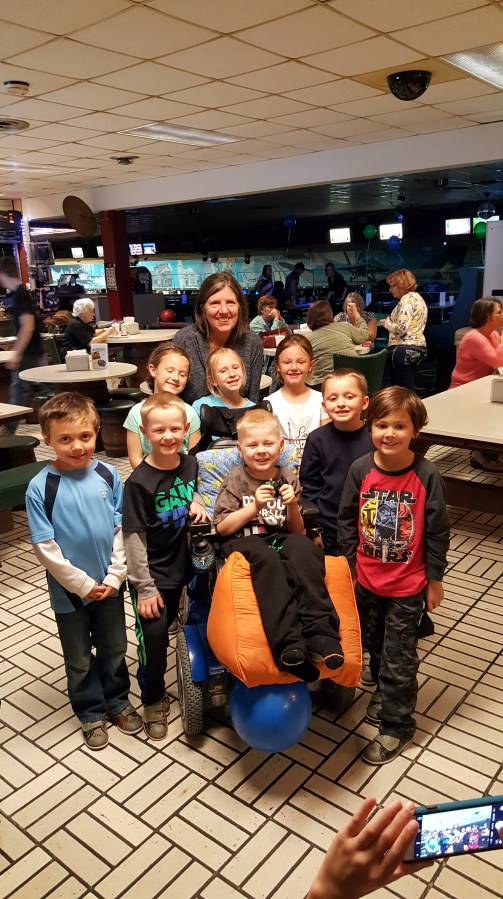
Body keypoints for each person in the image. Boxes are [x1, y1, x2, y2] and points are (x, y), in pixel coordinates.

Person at [338, 387, 450, 765]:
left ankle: (397, 726)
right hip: (367, 580)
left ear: (415, 431)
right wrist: (350, 569)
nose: (389, 433)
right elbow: (346, 521)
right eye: (381, 424)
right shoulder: (361, 470)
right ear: (369, 426)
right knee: (374, 642)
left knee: (398, 658)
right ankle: (383, 691)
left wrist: (434, 579)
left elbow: (438, 531)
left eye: (400, 426)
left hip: (408, 585)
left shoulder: (426, 474)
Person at [25, 393, 141, 751]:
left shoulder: (108, 474)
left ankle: (117, 700)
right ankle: (90, 710)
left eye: (85, 436)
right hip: (69, 592)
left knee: (114, 646)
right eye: (65, 438)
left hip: (109, 585)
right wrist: (82, 584)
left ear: (96, 432)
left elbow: (121, 529)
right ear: (47, 438)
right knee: (77, 656)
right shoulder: (40, 487)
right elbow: (46, 547)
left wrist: (115, 575)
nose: (77, 446)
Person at [213, 408, 344, 684]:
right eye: (252, 445)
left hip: (280, 537)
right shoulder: (236, 478)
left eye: (268, 443)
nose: (261, 451)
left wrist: (293, 504)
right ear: (240, 449)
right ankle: (288, 644)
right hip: (243, 539)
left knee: (305, 548)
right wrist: (255, 507)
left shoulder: (287, 476)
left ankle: (321, 634)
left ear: (281, 445)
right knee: (267, 559)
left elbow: (296, 530)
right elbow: (222, 527)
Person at [122, 393, 210, 740]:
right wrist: (144, 588)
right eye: (159, 430)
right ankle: (152, 698)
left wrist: (198, 501)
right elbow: (133, 539)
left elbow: (195, 490)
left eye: (175, 429)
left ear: (186, 429)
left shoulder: (190, 464)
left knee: (178, 629)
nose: (168, 436)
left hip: (181, 570)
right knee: (154, 642)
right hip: (152, 579)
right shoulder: (138, 483)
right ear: (145, 433)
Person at [300, 370, 373, 556]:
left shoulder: (375, 438)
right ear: (324, 406)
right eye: (333, 398)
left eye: (349, 397)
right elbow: (310, 486)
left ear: (364, 402)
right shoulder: (316, 439)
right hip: (329, 527)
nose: (340, 403)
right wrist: (313, 529)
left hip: (370, 525)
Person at [172, 272, 263, 405]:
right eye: (215, 303)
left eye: (230, 302)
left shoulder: (252, 343)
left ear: (239, 306)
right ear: (203, 308)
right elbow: (171, 399)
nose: (224, 310)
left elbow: (252, 400)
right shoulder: (185, 339)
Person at [124, 344, 200, 468]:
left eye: (182, 374)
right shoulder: (136, 412)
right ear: (153, 370)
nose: (176, 378)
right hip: (148, 474)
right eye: (169, 371)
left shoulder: (190, 413)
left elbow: (195, 456)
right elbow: (135, 458)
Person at [450, 297, 503, 472]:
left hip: (479, 387)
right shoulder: (474, 337)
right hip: (463, 391)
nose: (502, 315)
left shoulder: (492, 334)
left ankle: (489, 452)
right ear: (487, 316)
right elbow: (497, 360)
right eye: (499, 312)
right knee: (495, 412)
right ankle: (481, 454)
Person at [0, 256, 45, 430]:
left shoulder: (20, 295)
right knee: (36, 389)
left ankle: (8, 431)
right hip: (33, 351)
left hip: (28, 353)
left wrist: (16, 353)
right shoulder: (22, 293)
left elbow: (27, 326)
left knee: (18, 392)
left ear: (3, 274)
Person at [268, 334, 329, 462]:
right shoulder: (270, 404)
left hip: (316, 468)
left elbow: (327, 442)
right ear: (278, 366)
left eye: (300, 362)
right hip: (283, 469)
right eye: (287, 362)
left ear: (311, 365)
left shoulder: (321, 401)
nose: (294, 368)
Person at [305, 299, 370, 387]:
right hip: (354, 382)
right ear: (330, 313)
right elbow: (365, 335)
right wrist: (356, 314)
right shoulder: (344, 326)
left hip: (324, 386)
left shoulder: (307, 339)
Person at [382, 269, 427, 390]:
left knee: (402, 393)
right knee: (407, 391)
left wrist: (386, 323)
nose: (390, 289)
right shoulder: (418, 298)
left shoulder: (406, 300)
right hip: (418, 348)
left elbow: (401, 328)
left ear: (402, 284)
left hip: (402, 349)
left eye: (393, 285)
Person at [193, 348, 254, 418]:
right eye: (223, 371)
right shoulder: (200, 406)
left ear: (243, 371)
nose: (232, 374)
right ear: (213, 380)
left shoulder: (254, 409)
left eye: (235, 368)